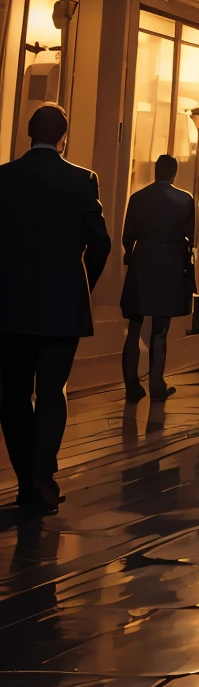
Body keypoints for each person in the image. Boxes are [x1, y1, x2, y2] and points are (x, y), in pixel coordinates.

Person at [0, 105, 111, 513]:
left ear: (28, 133)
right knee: (51, 392)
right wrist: (83, 282)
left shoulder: (4, 178)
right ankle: (42, 478)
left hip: (10, 304)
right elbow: (100, 243)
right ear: (64, 135)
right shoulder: (82, 180)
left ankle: (26, 477)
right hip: (62, 304)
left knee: (13, 395)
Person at [120, 152, 195, 400]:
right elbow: (189, 238)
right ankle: (156, 383)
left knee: (134, 326)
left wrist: (130, 253)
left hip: (142, 263)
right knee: (160, 329)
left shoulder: (138, 198)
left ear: (155, 171)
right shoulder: (185, 200)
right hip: (169, 265)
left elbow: (127, 235)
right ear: (174, 173)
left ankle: (131, 383)